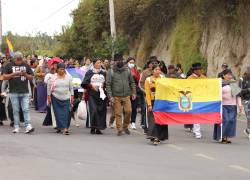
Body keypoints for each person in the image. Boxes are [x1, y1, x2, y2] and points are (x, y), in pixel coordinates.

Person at [3, 52, 34, 133]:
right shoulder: (9, 65)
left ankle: (28, 125)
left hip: (24, 91)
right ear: (14, 59)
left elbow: (31, 77)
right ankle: (16, 126)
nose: (20, 61)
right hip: (13, 92)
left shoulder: (26, 65)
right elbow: (4, 76)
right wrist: (14, 74)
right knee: (15, 110)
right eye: (18, 60)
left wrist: (25, 74)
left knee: (26, 109)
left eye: (21, 59)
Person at [106, 54, 136, 136]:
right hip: (116, 96)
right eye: (117, 60)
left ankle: (125, 126)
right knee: (118, 113)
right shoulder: (111, 71)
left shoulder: (127, 70)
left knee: (129, 111)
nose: (119, 62)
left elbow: (132, 82)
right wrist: (110, 97)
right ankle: (119, 129)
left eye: (121, 60)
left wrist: (134, 92)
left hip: (126, 95)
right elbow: (108, 85)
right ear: (114, 62)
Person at [214, 69, 243, 143]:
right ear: (223, 75)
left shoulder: (234, 84)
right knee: (225, 120)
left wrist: (240, 105)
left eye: (230, 74)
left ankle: (227, 137)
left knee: (231, 121)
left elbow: (238, 96)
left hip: (233, 106)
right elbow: (217, 95)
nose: (229, 76)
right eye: (228, 74)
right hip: (223, 106)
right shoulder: (220, 84)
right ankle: (222, 137)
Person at [82, 58, 107, 134]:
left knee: (101, 110)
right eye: (98, 63)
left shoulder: (103, 73)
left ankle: (98, 128)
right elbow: (84, 83)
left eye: (100, 63)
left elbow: (107, 83)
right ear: (94, 64)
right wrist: (92, 86)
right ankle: (93, 127)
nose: (100, 64)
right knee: (94, 110)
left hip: (101, 94)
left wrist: (103, 85)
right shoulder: (89, 72)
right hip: (92, 95)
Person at [47, 63, 74, 135]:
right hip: (55, 97)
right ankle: (62, 128)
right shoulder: (53, 77)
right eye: (60, 69)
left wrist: (72, 96)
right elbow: (49, 87)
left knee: (66, 113)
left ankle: (65, 128)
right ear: (57, 70)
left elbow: (71, 88)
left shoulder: (69, 77)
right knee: (58, 114)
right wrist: (49, 96)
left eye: (63, 69)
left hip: (66, 97)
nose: (62, 71)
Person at [145, 65, 168, 145]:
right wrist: (149, 105)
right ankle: (154, 136)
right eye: (156, 69)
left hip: (161, 101)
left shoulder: (163, 79)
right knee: (153, 120)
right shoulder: (148, 80)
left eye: (159, 69)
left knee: (160, 119)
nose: (158, 71)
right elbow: (147, 93)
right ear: (152, 71)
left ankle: (158, 137)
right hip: (152, 101)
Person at [187, 63, 206, 139]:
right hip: (193, 98)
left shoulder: (204, 77)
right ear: (194, 71)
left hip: (202, 98)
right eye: (198, 69)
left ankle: (195, 130)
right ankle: (197, 132)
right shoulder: (190, 78)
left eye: (201, 69)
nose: (200, 71)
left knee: (199, 115)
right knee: (196, 114)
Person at [127, 57, 141, 130]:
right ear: (127, 63)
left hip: (134, 91)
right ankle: (126, 121)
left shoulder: (136, 70)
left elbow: (139, 81)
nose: (132, 64)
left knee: (134, 107)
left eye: (133, 62)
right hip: (126, 91)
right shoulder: (124, 70)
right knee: (127, 108)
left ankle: (133, 122)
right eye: (130, 62)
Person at [239, 66, 250, 139]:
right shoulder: (242, 79)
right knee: (249, 117)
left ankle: (248, 130)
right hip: (246, 100)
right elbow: (239, 91)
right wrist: (248, 90)